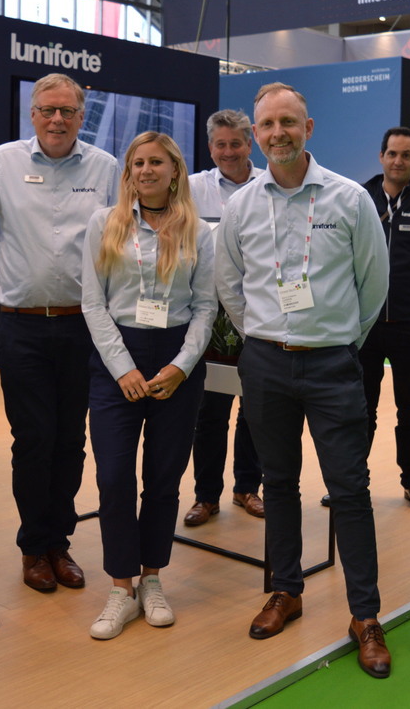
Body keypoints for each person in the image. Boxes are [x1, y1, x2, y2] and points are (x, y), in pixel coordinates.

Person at [215, 82, 393, 679]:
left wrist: (336, 339)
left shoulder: (348, 199)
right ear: (255, 134)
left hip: (333, 363)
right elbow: (229, 283)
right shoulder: (242, 205)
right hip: (266, 363)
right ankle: (286, 591)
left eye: (288, 122)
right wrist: (264, 336)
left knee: (350, 489)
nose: (277, 134)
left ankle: (365, 615)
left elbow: (374, 284)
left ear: (308, 128)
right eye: (267, 125)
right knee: (278, 482)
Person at [0, 73, 118, 593]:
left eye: (68, 111)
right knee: (32, 440)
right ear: (33, 114)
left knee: (70, 441)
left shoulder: (106, 168)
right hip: (21, 327)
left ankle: (59, 544)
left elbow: (127, 238)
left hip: (84, 327)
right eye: (48, 110)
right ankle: (32, 548)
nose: (57, 119)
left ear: (82, 116)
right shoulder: (1, 162)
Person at [81, 132, 217, 639]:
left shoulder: (198, 231)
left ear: (175, 170)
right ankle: (121, 588)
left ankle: (152, 579)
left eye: (156, 162)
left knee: (163, 477)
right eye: (137, 163)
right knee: (114, 476)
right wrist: (123, 368)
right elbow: (93, 302)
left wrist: (181, 366)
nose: (145, 170)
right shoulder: (104, 223)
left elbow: (205, 307)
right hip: (117, 360)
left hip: (176, 361)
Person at [184, 109, 265, 526]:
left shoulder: (269, 185)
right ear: (210, 147)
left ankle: (247, 487)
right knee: (209, 411)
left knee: (255, 409)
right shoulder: (192, 188)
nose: (229, 152)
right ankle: (206, 496)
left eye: (236, 143)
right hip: (207, 316)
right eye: (221, 145)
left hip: (258, 312)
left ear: (250, 143)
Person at [358, 127, 410, 514]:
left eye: (406, 155)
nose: (398, 161)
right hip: (365, 325)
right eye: (392, 153)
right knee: (359, 409)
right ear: (381, 156)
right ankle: (351, 481)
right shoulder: (360, 198)